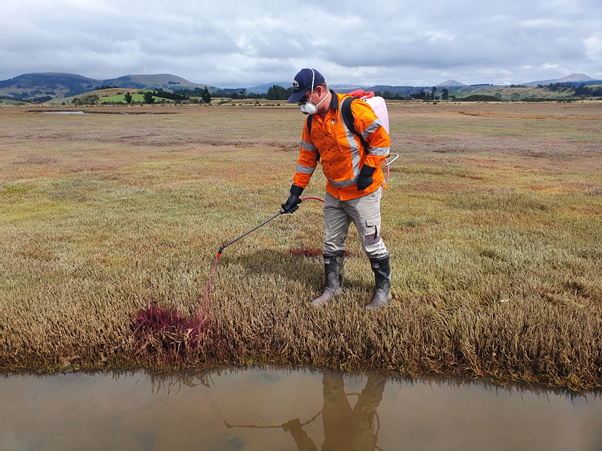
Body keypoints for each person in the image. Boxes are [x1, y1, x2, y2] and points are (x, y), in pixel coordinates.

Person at [281, 68, 392, 309]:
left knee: (372, 243)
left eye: (304, 98)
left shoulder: (352, 109)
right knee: (331, 243)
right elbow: (306, 159)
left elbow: (381, 141)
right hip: (334, 192)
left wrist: (368, 171)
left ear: (319, 90)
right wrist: (295, 192)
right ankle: (333, 287)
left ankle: (383, 293)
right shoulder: (311, 122)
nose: (301, 105)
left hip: (363, 192)